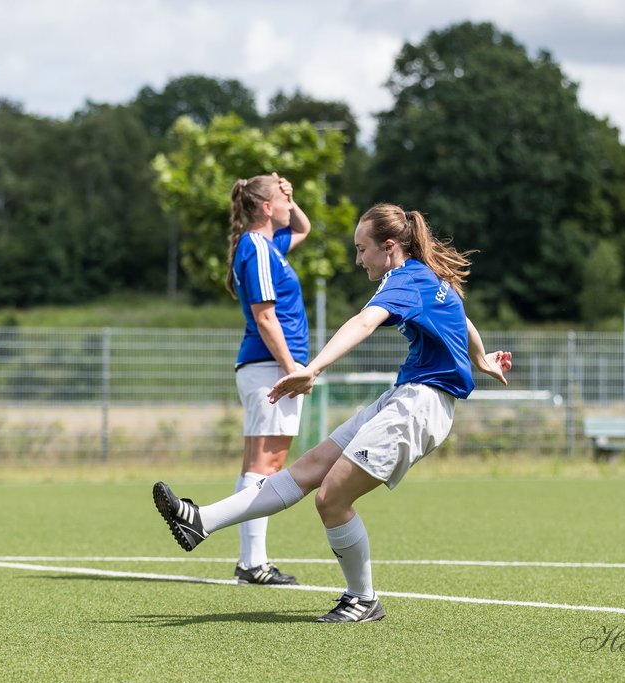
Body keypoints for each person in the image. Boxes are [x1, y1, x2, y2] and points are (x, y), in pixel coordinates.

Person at [153, 203, 513, 622]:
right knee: (307, 470)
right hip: (405, 397)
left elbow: (361, 324)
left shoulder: (403, 280)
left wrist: (312, 368)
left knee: (332, 499)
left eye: (362, 250)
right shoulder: (424, 275)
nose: (358, 259)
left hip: (421, 405)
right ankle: (201, 520)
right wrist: (480, 357)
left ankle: (362, 599)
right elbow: (460, 315)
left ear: (389, 246)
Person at [224, 172, 312, 586]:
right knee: (267, 463)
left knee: (259, 462)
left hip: (265, 367)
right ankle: (253, 564)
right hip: (270, 367)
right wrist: (292, 368)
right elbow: (264, 315)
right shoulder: (257, 247)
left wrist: (290, 198)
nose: (287, 203)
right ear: (264, 208)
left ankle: (250, 562)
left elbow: (303, 228)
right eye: (281, 197)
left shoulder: (266, 245)